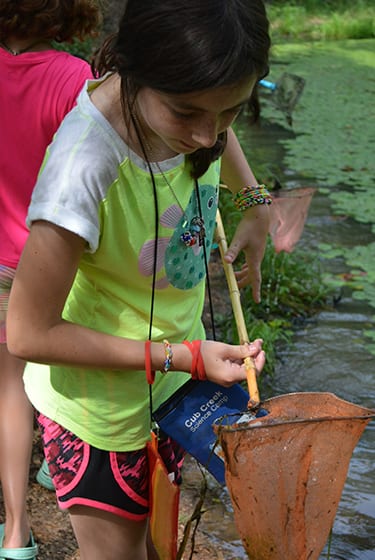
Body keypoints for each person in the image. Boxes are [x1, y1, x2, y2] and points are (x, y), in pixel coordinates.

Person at [7, 1, 271, 558]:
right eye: (186, 113)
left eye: (231, 112)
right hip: (97, 412)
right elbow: (27, 334)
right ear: (134, 68)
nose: (208, 136)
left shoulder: (195, 109)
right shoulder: (84, 169)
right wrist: (186, 357)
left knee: (153, 540)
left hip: (167, 388)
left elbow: (212, 120)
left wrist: (255, 203)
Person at [0, 1, 101, 558]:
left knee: (9, 389)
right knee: (59, 360)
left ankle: (16, 537)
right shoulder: (73, 77)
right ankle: (59, 470)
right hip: (55, 255)